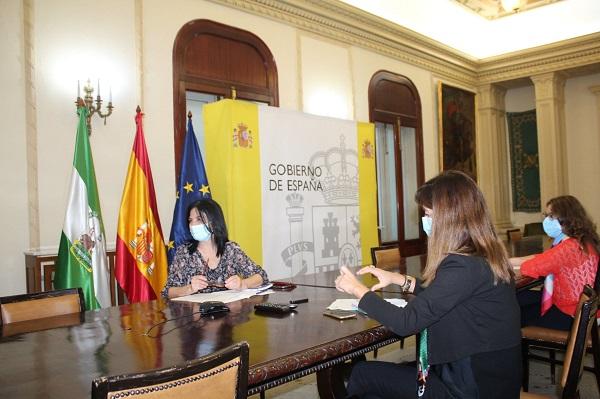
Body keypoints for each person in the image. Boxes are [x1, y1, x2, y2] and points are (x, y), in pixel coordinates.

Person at [335, 170, 521, 399]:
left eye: (428, 214)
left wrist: (357, 289)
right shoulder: (482, 254)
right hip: (491, 378)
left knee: (361, 374)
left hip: (469, 387)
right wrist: (399, 280)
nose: (425, 221)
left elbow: (406, 322)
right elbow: (444, 297)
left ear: (448, 218)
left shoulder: (462, 265)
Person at [511, 195, 600, 331]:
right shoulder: (581, 240)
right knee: (519, 297)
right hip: (582, 309)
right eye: (546, 216)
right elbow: (544, 258)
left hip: (574, 315)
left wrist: (502, 264)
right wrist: (509, 261)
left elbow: (532, 266)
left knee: (513, 313)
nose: (546, 220)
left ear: (567, 218)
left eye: (551, 216)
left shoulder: (570, 247)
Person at [162, 198, 268, 299]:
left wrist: (242, 284)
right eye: (190, 220)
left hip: (228, 313)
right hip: (195, 314)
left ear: (214, 222)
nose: (192, 225)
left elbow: (261, 276)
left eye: (199, 219)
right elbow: (168, 291)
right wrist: (190, 288)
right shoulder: (184, 252)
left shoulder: (230, 249)